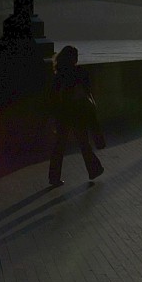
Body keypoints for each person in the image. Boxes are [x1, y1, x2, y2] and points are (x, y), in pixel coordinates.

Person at [47, 45, 104, 186]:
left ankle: (54, 177)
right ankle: (94, 169)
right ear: (73, 58)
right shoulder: (80, 72)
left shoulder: (58, 75)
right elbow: (88, 88)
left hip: (63, 114)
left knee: (59, 146)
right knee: (84, 143)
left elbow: (53, 97)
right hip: (78, 113)